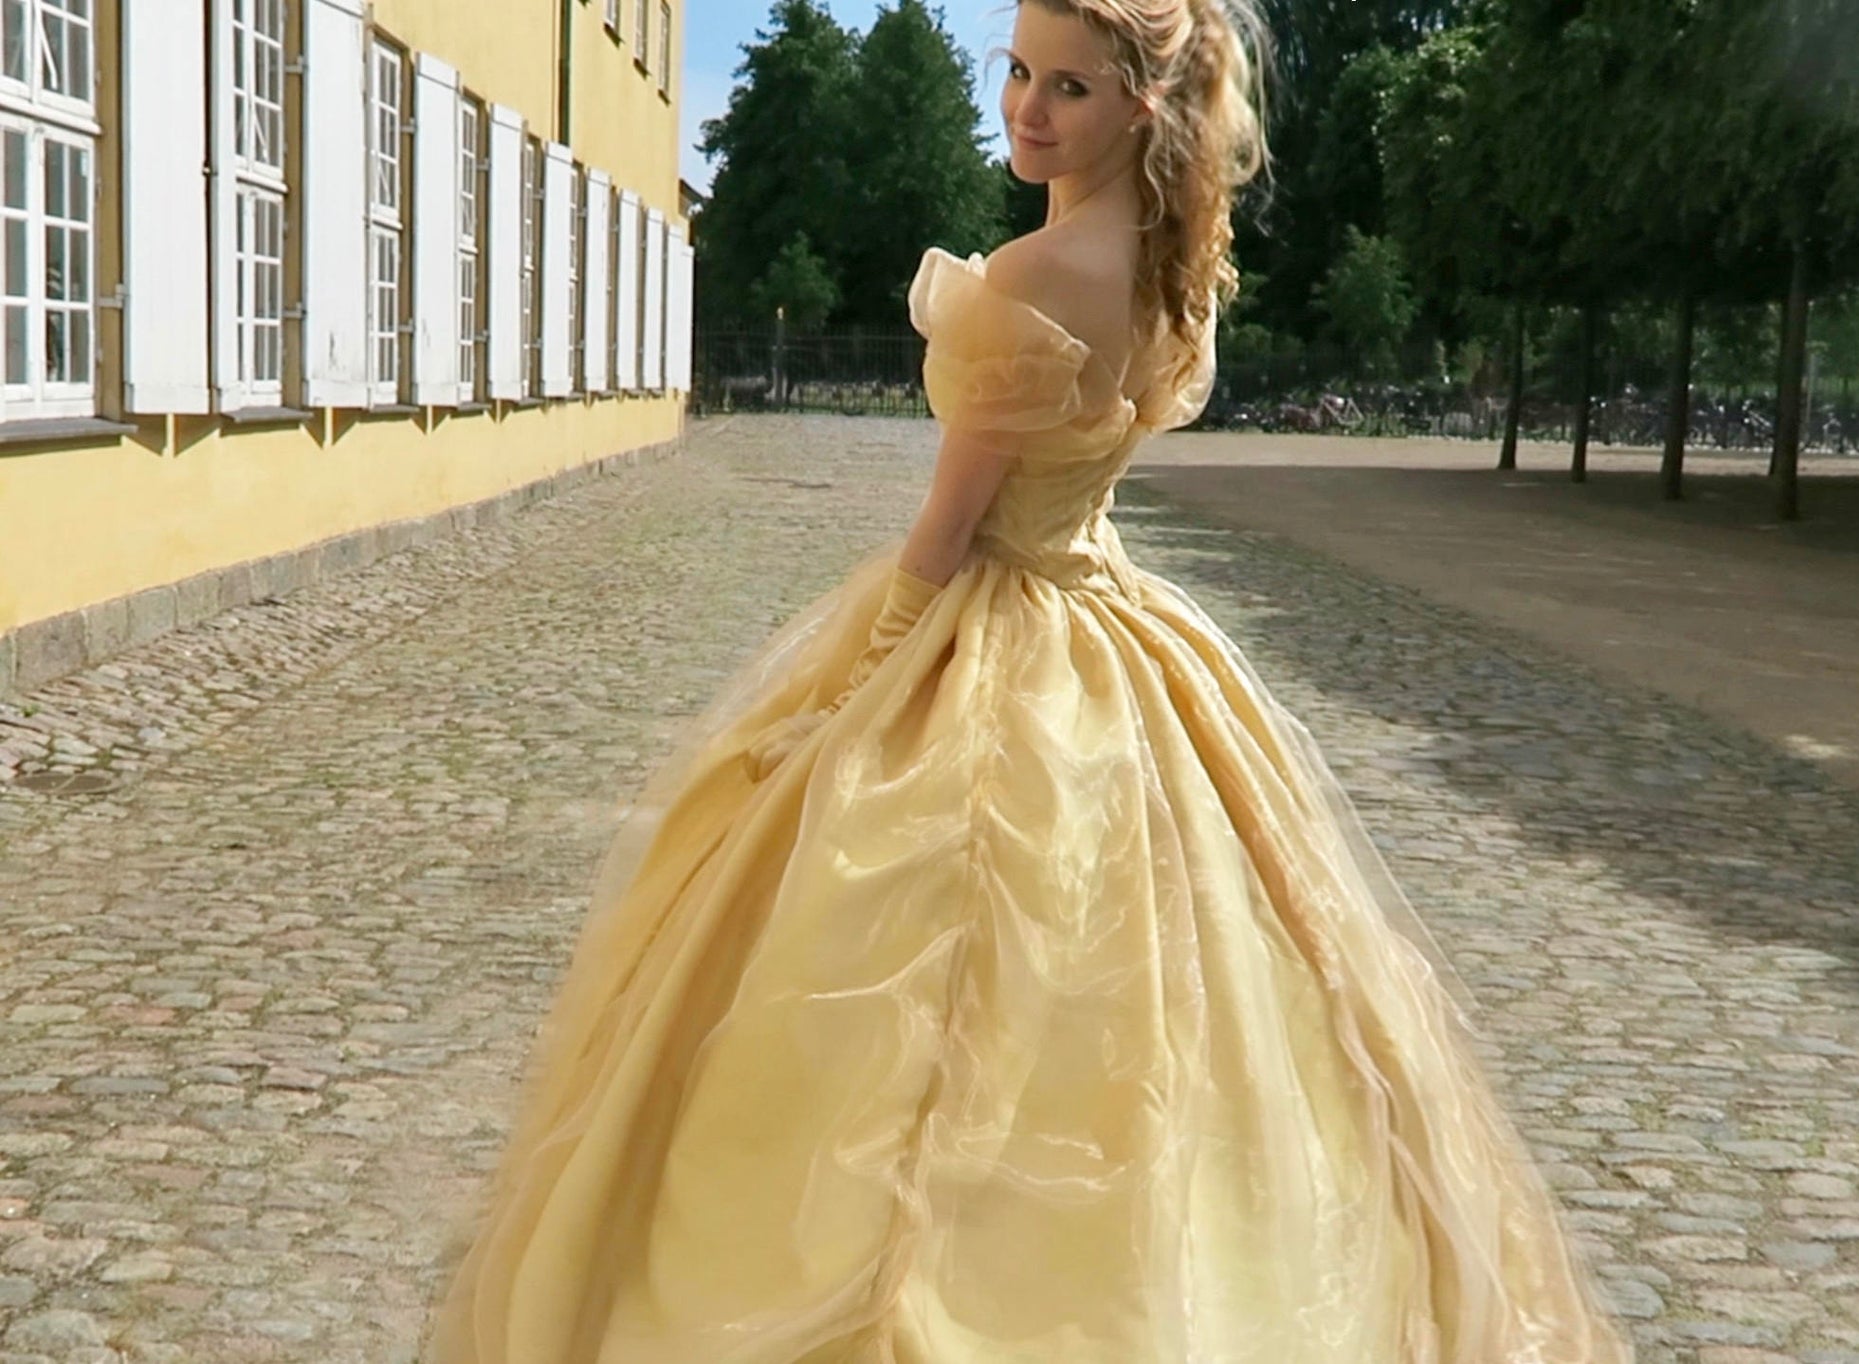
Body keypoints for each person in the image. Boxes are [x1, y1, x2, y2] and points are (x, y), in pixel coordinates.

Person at [427, 1, 1636, 1359]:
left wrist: (846, 693)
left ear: (1141, 106)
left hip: (1000, 628)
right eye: (1016, 71)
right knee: (1134, 1007)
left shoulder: (1035, 274)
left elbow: (948, 532)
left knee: (915, 1006)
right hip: (1113, 628)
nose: (1026, 107)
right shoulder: (1169, 272)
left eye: (1068, 86)